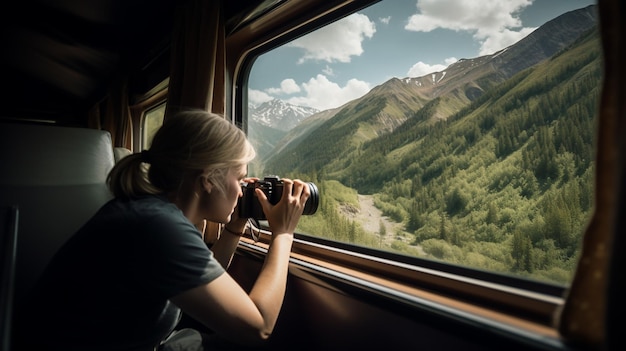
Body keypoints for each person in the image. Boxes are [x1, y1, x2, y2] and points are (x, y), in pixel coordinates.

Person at [13, 110, 310, 350]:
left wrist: (233, 230)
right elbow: (259, 329)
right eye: (240, 178)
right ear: (208, 179)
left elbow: (202, 282)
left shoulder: (154, 212)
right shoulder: (159, 227)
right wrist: (283, 234)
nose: (242, 190)